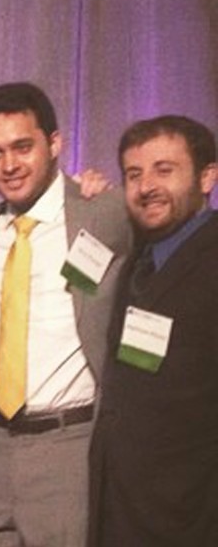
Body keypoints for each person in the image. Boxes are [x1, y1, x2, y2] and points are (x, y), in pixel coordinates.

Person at [0, 83, 132, 546]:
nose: (9, 165)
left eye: (22, 147)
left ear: (54, 144)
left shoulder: (104, 214)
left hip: (67, 443)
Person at [90, 115, 218, 546]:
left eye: (165, 170)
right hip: (123, 509)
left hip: (189, 515)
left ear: (207, 177)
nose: (147, 187)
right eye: (134, 174)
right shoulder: (138, 260)